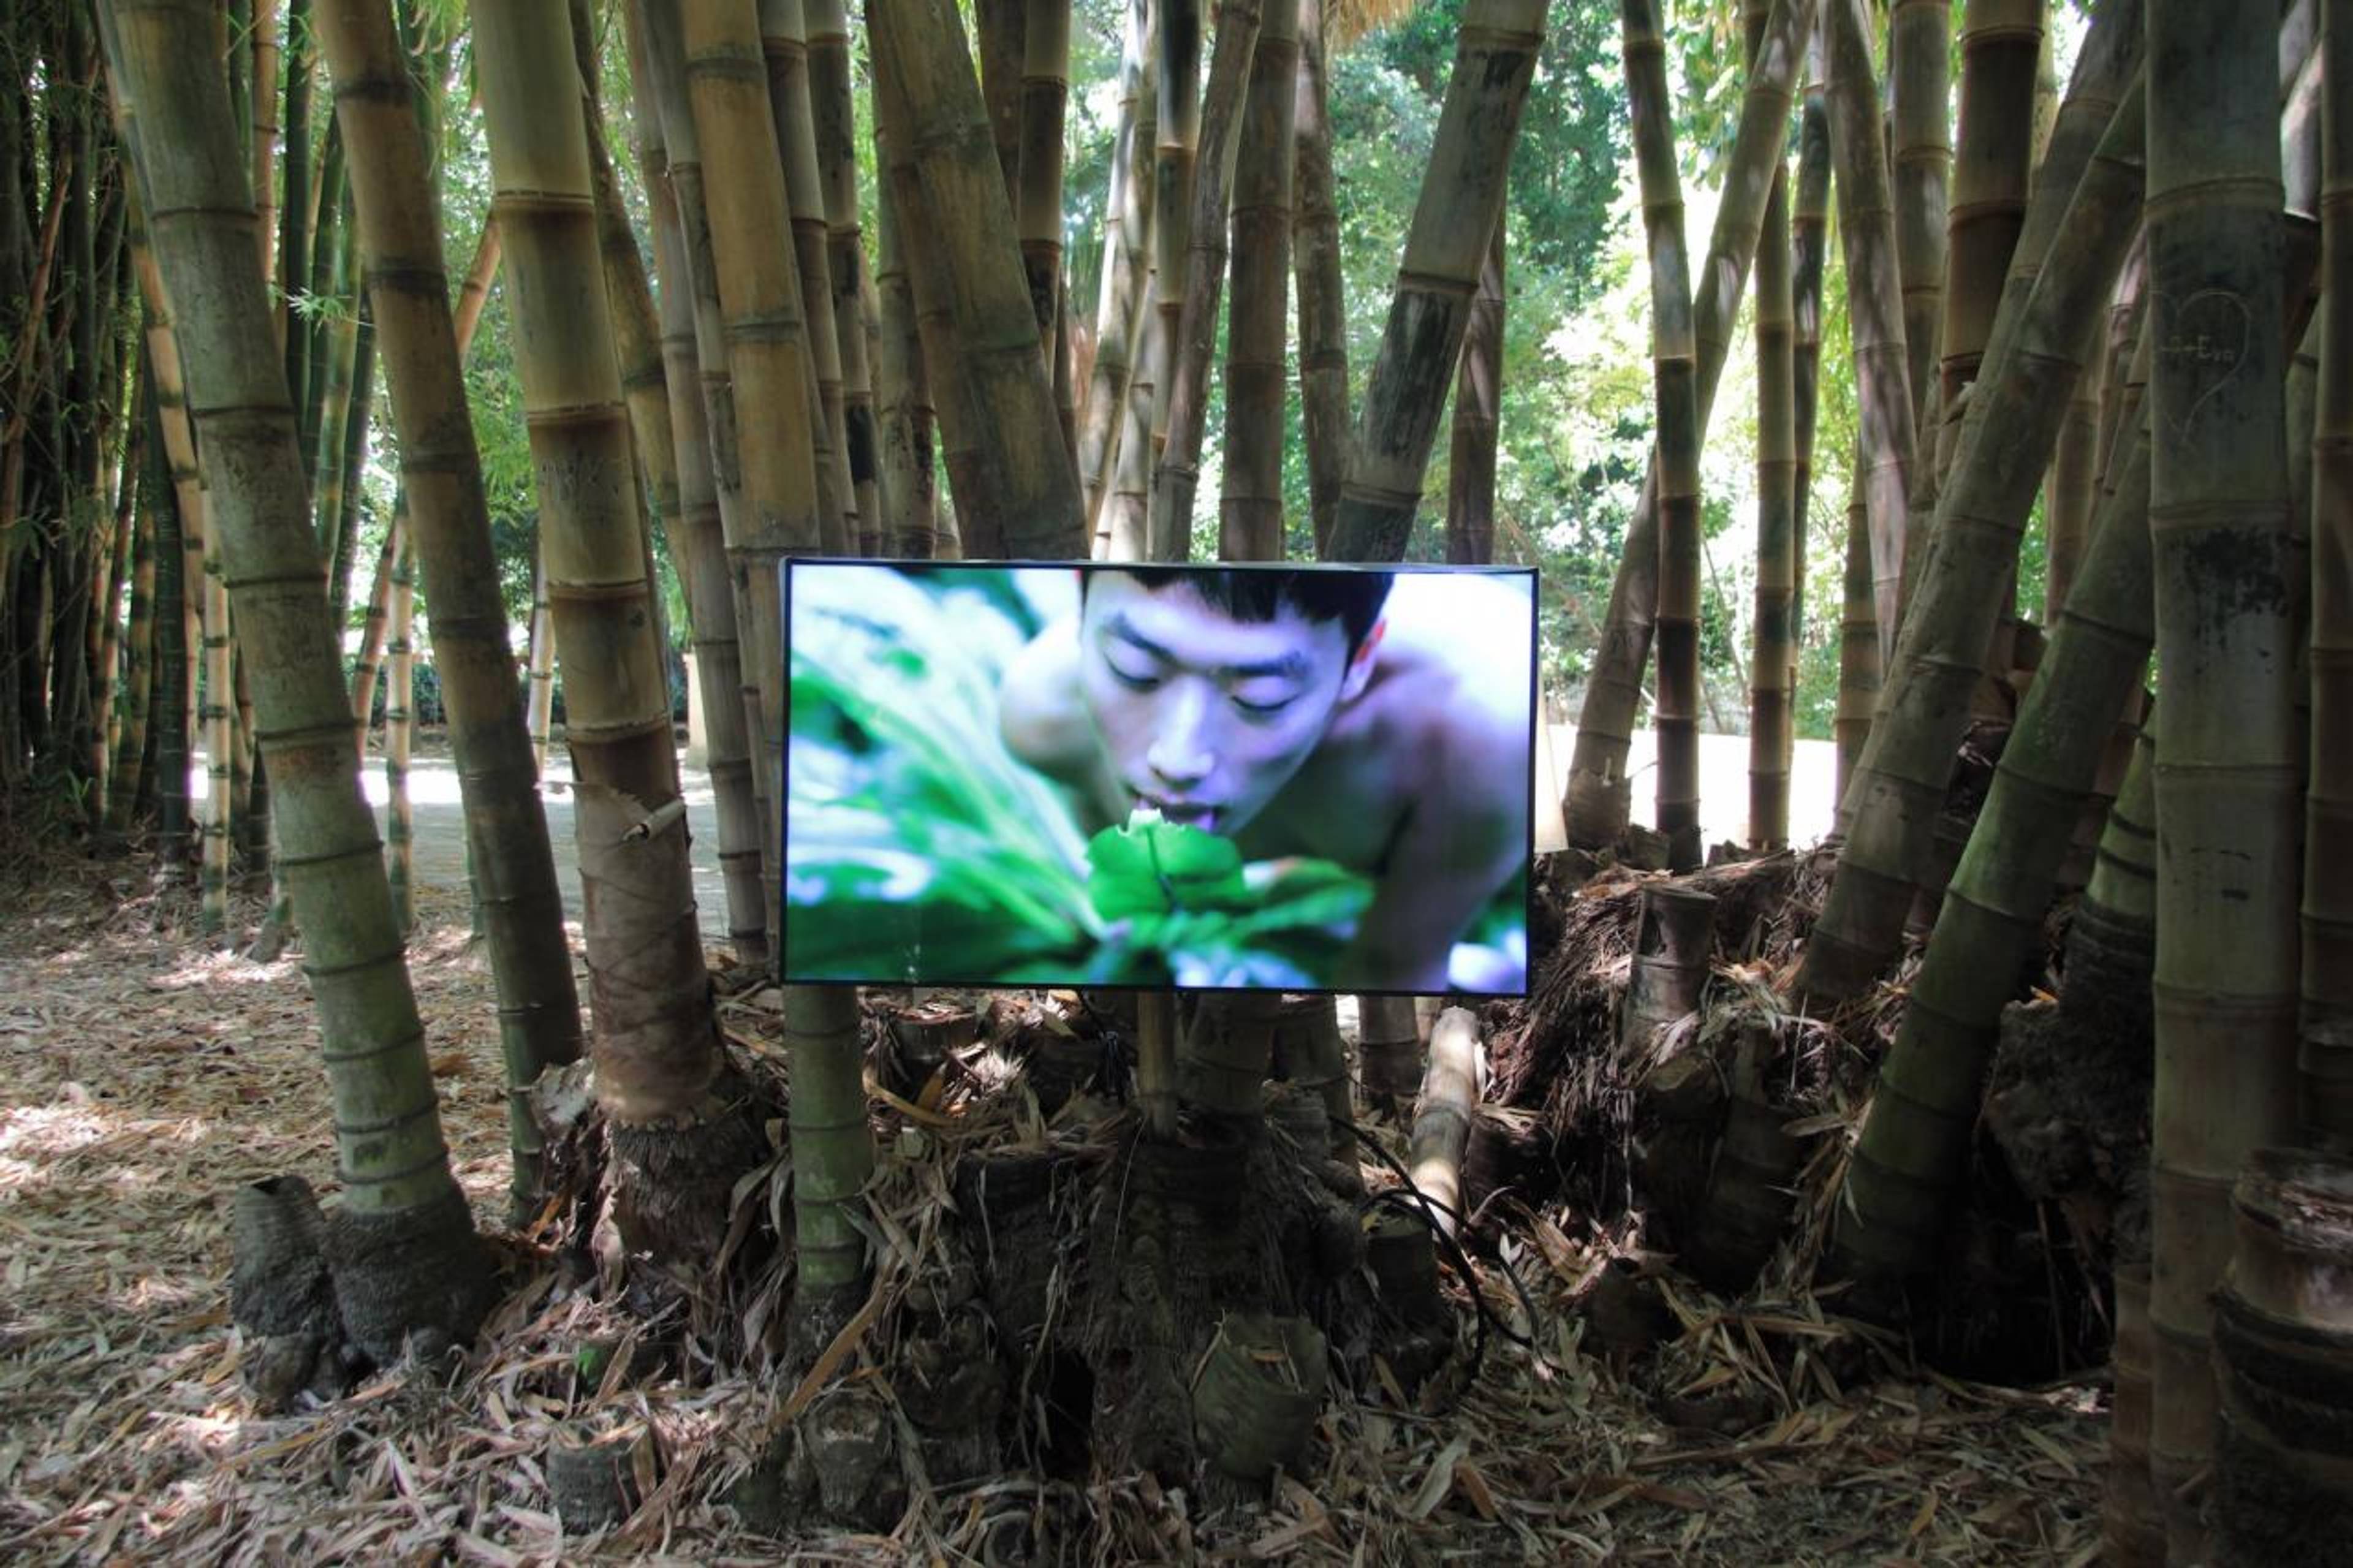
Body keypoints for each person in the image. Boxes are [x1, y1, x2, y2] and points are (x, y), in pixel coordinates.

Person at [998, 566, 1533, 993]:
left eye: (1261, 698)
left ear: (1360, 660)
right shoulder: (1044, 716)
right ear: (1081, 611)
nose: (1178, 758)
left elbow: (1393, 968)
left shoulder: (1469, 738)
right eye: (1136, 669)